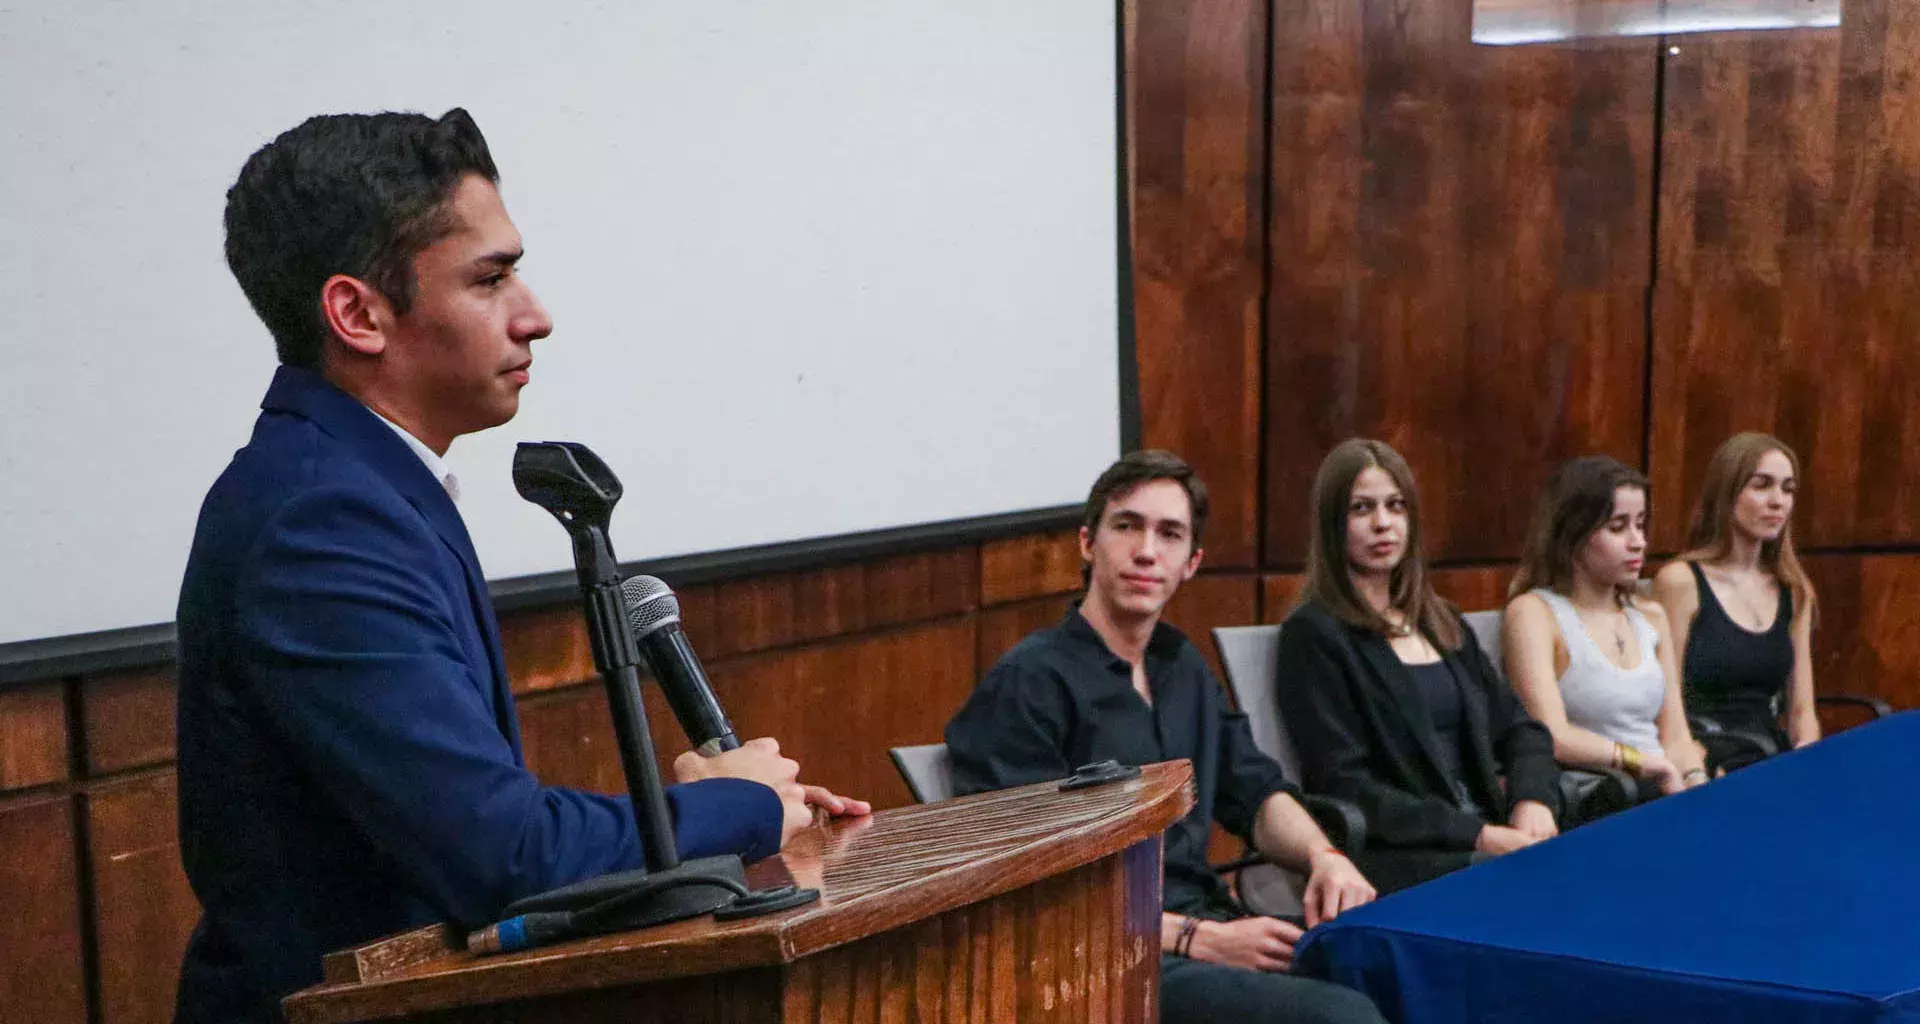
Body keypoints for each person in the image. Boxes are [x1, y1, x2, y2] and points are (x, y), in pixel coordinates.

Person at [175, 109, 867, 1022]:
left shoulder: (358, 483)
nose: (535, 315)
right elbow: (498, 855)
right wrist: (728, 812)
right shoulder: (321, 519)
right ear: (357, 313)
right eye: (491, 278)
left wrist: (714, 819)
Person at [946, 450, 1386, 1024]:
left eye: (1169, 534)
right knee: (1339, 1017)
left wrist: (1323, 856)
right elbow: (1028, 887)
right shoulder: (1029, 683)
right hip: (1103, 956)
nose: (1147, 551)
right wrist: (1193, 938)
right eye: (1127, 526)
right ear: (1088, 543)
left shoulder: (1181, 666)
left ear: (1191, 562)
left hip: (1206, 925)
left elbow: (1253, 789)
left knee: (1389, 963)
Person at [1276, 439, 1562, 895]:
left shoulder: (1441, 620)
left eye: (1396, 506)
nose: (1383, 523)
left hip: (1491, 830)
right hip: (1407, 853)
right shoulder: (1314, 635)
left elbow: (1521, 729)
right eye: (1361, 509)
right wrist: (1478, 835)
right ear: (1333, 525)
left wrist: (1533, 800)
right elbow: (1346, 785)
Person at [1503, 456, 1708, 807]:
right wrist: (1643, 763)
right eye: (1618, 527)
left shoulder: (1650, 615)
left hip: (1662, 786)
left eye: (1641, 525)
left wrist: (1697, 782)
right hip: (1601, 793)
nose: (1638, 541)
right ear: (1573, 535)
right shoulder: (1535, 613)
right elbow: (1551, 735)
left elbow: (1675, 734)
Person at [1651, 432, 1819, 756]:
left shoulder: (1794, 589)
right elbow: (1663, 710)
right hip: (1701, 759)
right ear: (1727, 493)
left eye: (1788, 489)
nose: (1777, 501)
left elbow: (1802, 714)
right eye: (1761, 485)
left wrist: (1806, 765)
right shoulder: (1680, 582)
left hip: (1768, 757)